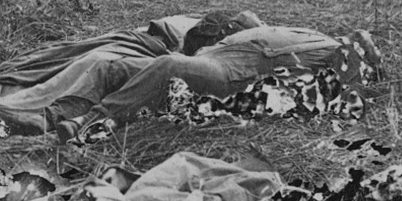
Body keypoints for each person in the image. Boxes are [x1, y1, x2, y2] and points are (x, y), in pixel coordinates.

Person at [0, 10, 263, 134]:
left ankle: (71, 119)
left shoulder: (250, 47)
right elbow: (171, 44)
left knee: (95, 65)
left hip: (177, 68)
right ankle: (39, 114)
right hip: (154, 52)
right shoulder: (187, 29)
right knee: (94, 63)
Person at [53, 25, 382, 143]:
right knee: (111, 67)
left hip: (229, 75)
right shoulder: (318, 39)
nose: (348, 48)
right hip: (218, 55)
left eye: (356, 52)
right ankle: (53, 117)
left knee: (169, 65)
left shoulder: (329, 60)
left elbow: (333, 92)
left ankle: (94, 120)